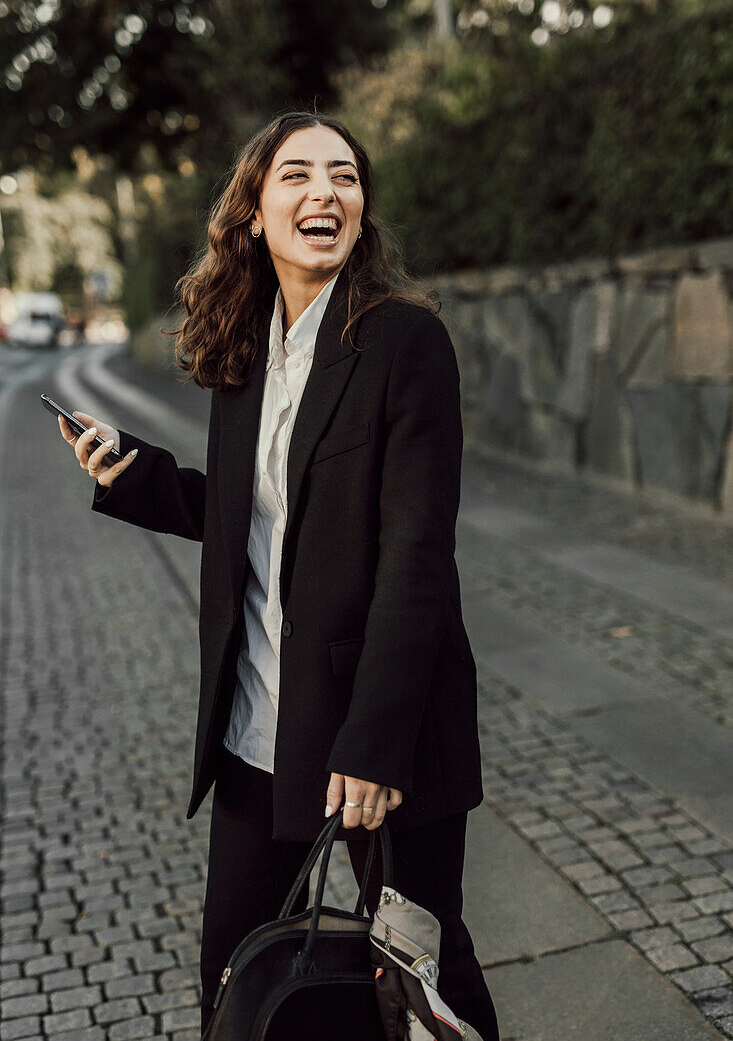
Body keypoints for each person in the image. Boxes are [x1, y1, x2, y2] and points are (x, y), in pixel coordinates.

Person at [58, 110, 501, 1040]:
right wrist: (136, 476)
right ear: (254, 210)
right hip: (258, 725)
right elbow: (262, 514)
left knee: (424, 978)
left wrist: (375, 744)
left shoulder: (400, 341)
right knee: (233, 972)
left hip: (377, 737)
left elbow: (415, 554)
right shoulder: (243, 347)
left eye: (343, 176)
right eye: (296, 175)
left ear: (361, 208)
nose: (324, 192)